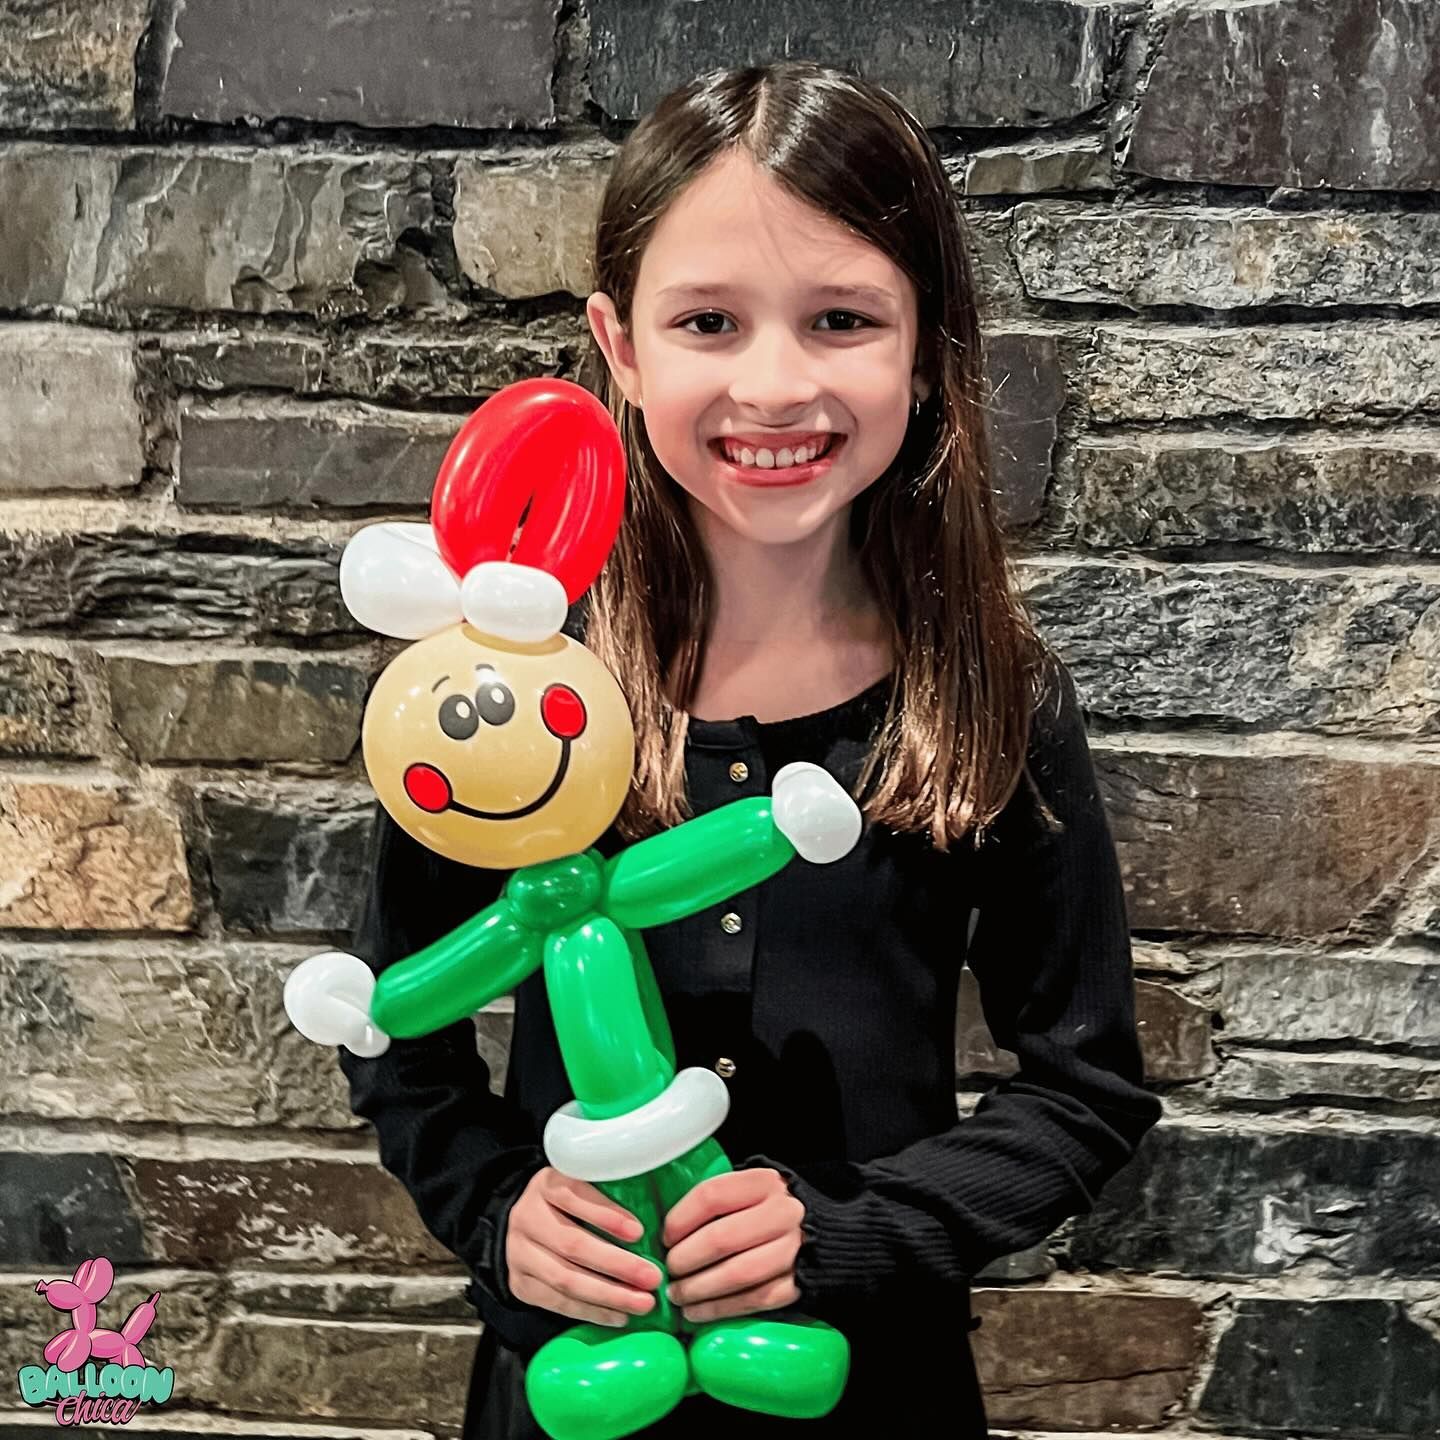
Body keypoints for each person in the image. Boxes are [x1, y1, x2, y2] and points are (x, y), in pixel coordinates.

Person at [340, 61, 1164, 1439]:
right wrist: (497, 1217)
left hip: (871, 1392)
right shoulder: (502, 693)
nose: (773, 385)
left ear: (924, 344)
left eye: (842, 318)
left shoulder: (990, 698)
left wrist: (844, 1232)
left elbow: (1085, 1096)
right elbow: (394, 1033)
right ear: (621, 345)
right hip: (571, 1388)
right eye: (708, 321)